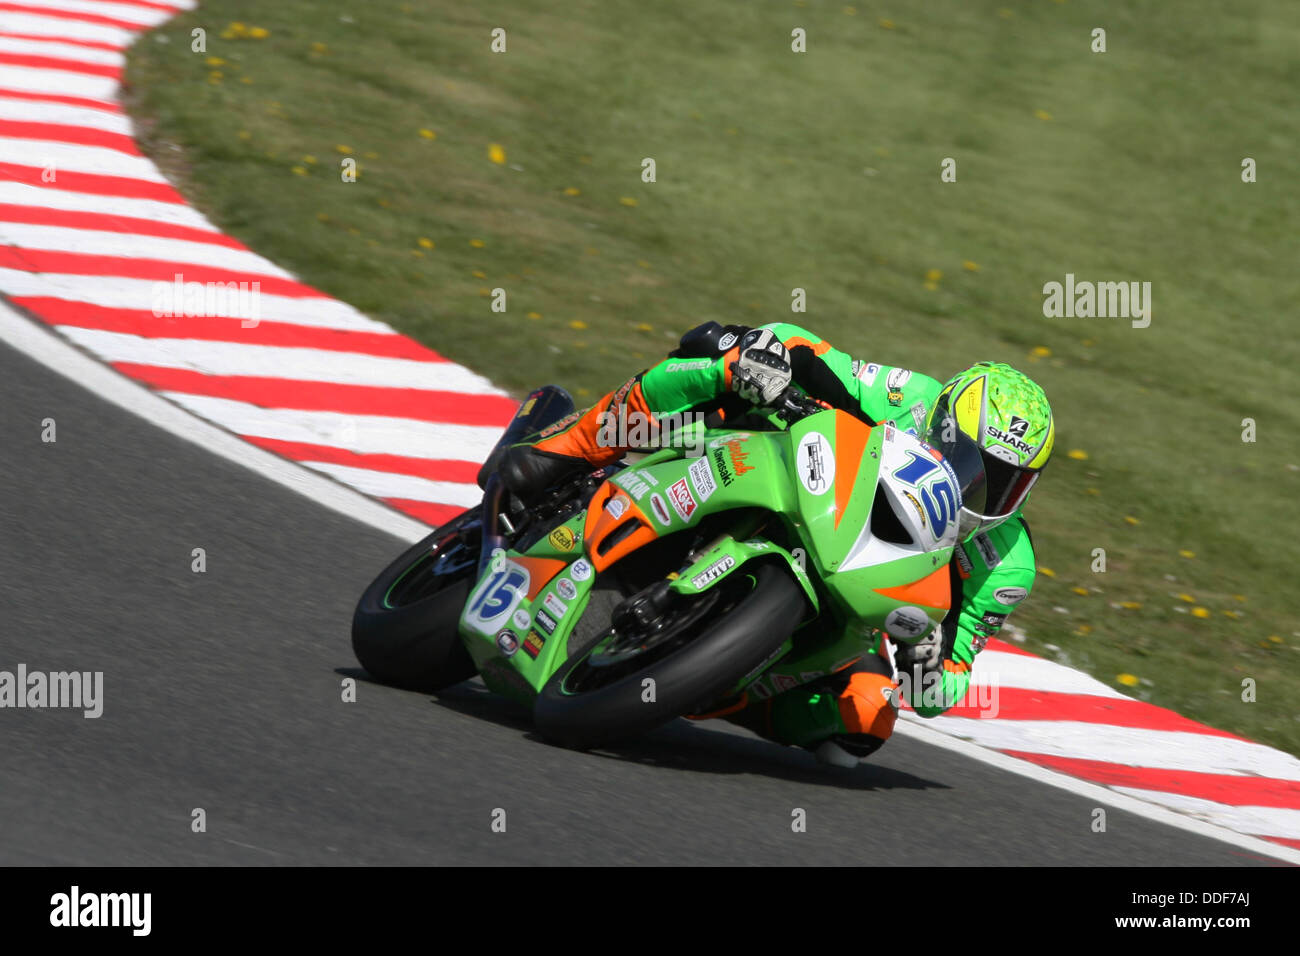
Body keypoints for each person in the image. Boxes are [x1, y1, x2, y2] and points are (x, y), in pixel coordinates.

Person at [500, 321, 1054, 766]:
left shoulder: (1006, 564)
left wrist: (925, 666)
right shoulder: (910, 397)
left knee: (867, 717)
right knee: (729, 356)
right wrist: (770, 358)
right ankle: (570, 444)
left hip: (851, 601)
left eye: (1007, 482)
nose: (977, 489)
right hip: (804, 485)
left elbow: (940, 695)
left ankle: (707, 681)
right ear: (939, 422)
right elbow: (805, 347)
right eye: (970, 461)